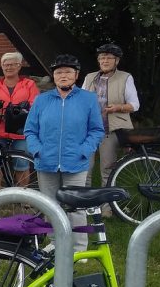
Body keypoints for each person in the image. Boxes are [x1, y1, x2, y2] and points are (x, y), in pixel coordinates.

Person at [23, 54, 105, 252]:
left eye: (68, 71)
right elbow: (30, 130)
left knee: (76, 206)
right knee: (51, 205)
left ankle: (78, 247)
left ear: (76, 75)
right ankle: (55, 241)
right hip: (46, 161)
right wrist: (37, 150)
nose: (63, 75)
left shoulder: (88, 99)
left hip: (76, 161)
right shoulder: (42, 100)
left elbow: (96, 130)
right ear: (54, 76)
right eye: (59, 72)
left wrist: (84, 150)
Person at [83, 43, 139, 211]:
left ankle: (107, 207)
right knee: (85, 167)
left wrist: (117, 107)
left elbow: (135, 105)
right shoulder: (90, 77)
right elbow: (80, 100)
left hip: (110, 129)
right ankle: (84, 204)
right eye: (102, 57)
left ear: (117, 60)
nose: (105, 60)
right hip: (88, 130)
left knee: (107, 168)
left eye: (109, 57)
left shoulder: (125, 77)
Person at [0, 52, 39, 188]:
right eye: (5, 65)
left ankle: (22, 195)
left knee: (22, 164)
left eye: (12, 64)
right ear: (2, 67)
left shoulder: (29, 84)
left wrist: (18, 111)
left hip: (21, 132)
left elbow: (35, 105)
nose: (9, 67)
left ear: (19, 66)